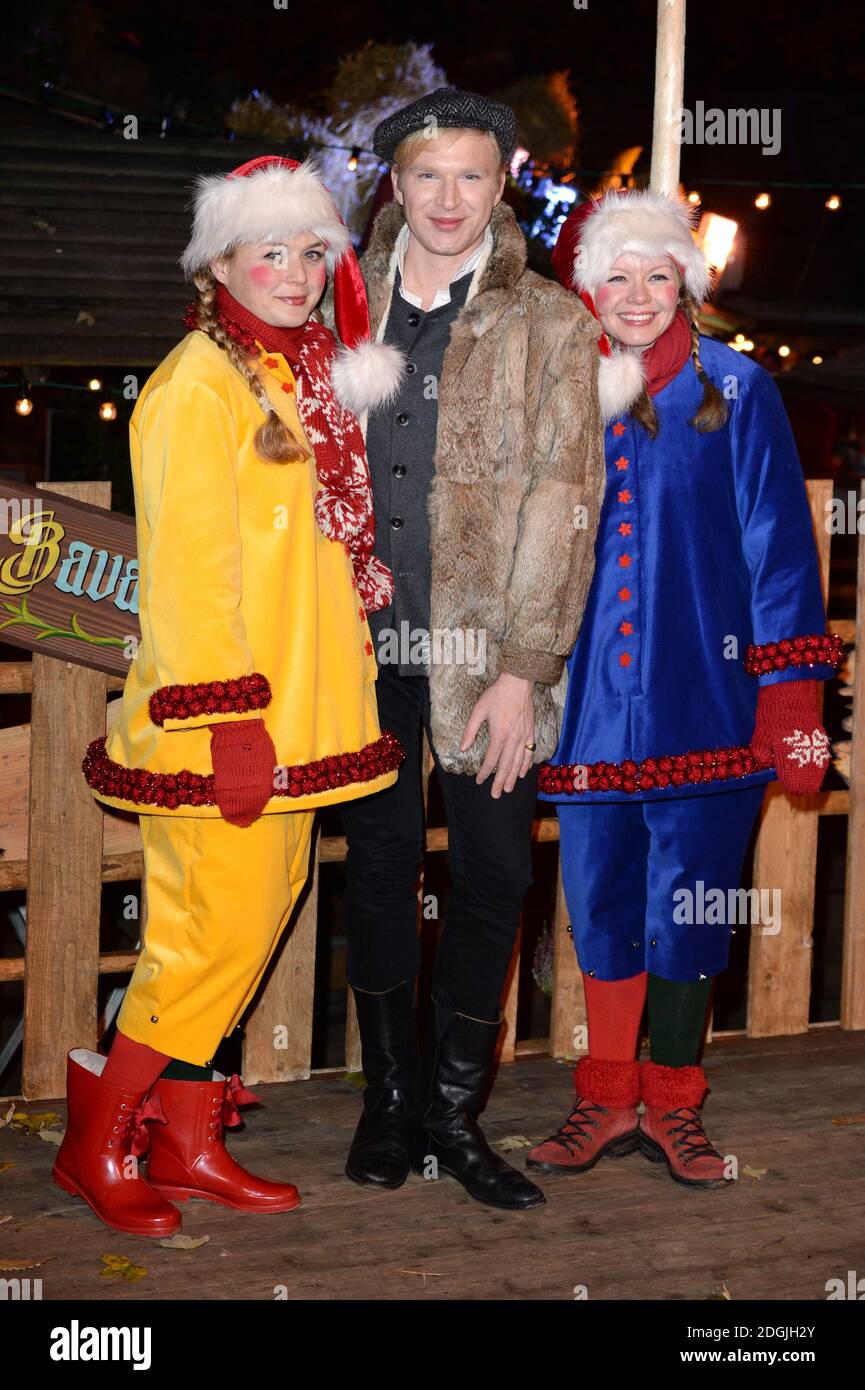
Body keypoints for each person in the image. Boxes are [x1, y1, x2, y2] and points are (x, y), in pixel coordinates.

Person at [55, 155, 405, 1236]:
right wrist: (231, 721)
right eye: (271, 251)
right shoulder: (192, 386)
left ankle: (187, 1138)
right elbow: (192, 576)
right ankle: (92, 1139)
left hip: (304, 720)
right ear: (219, 262)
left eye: (311, 251)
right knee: (203, 940)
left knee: (252, 926)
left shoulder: (296, 374)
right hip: (227, 727)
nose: (296, 272)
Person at [527, 189, 842, 1187]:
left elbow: (779, 551)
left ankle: (672, 1102)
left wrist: (789, 696)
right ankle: (605, 1095)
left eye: (655, 274)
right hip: (585, 712)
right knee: (601, 900)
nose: (634, 294)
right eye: (613, 275)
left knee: (693, 907)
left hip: (706, 704)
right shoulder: (556, 389)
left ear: (682, 285)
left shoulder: (738, 390)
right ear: (587, 286)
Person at [338, 89, 606, 1210]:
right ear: (394, 185)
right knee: (381, 869)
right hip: (353, 654)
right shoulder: (336, 312)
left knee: (493, 871)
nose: (448, 199)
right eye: (427, 175)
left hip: (487, 657)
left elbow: (566, 495)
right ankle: (389, 1101)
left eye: (472, 177)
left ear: (502, 187)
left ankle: (455, 1115)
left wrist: (523, 669)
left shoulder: (550, 322)